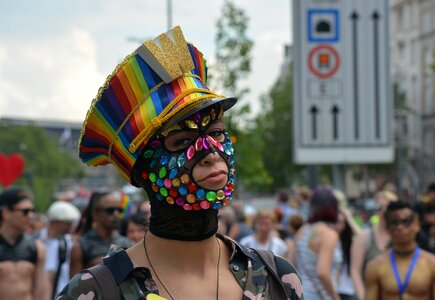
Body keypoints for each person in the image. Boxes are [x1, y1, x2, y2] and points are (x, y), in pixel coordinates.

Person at [57, 26, 303, 299]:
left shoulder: (275, 277)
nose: (211, 151)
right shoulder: (98, 291)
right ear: (142, 173)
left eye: (216, 133)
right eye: (182, 142)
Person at [365, 201, 435, 300]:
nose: (400, 227)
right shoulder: (375, 267)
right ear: (387, 228)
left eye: (406, 221)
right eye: (394, 222)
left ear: (417, 225)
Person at [291, 187, 342, 300]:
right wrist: (335, 297)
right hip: (321, 295)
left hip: (301, 294)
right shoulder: (329, 234)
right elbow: (322, 272)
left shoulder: (302, 230)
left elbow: (290, 262)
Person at [0, 188, 48, 300]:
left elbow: (41, 292)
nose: (30, 216)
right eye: (25, 211)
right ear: (6, 213)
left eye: (32, 211)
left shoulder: (37, 248)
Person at [70, 191, 132, 276]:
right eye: (110, 211)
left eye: (119, 210)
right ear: (96, 214)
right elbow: (74, 285)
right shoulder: (81, 246)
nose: (116, 214)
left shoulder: (126, 244)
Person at [350, 190, 397, 300]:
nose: (383, 211)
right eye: (379, 207)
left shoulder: (402, 238)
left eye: (387, 207)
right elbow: (355, 272)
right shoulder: (363, 239)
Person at [33, 201, 80, 299]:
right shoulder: (35, 240)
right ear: (55, 222)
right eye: (67, 223)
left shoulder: (69, 243)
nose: (71, 227)